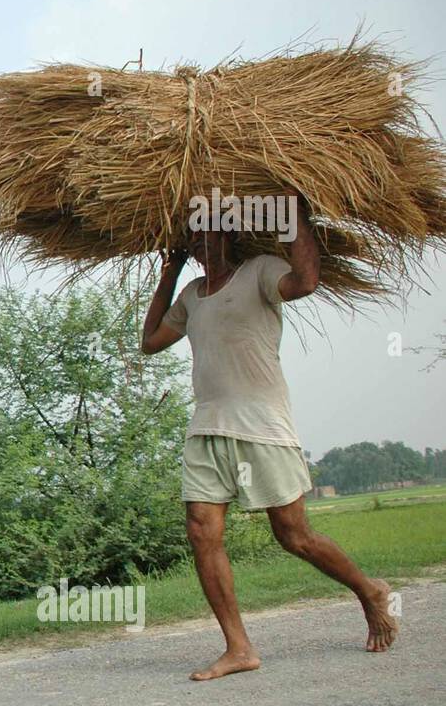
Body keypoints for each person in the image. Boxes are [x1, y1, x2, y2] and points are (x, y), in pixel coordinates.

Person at [140, 209, 398, 680]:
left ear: (229, 235)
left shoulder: (258, 270)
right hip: (207, 426)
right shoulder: (193, 296)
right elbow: (150, 341)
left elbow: (305, 282)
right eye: (191, 238)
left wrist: (294, 214)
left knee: (293, 535)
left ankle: (369, 590)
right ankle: (239, 648)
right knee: (201, 530)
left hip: (262, 425)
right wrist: (170, 272)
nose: (198, 243)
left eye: (205, 233)